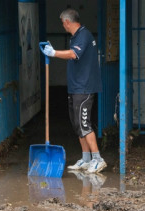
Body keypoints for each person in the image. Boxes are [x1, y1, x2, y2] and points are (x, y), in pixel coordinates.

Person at [43, 8, 106, 173]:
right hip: (76, 88)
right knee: (78, 124)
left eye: (63, 23)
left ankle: (98, 159)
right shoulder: (76, 37)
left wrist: (54, 53)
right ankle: (86, 159)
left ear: (67, 22)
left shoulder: (83, 35)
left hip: (84, 88)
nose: (63, 26)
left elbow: (73, 55)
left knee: (84, 124)